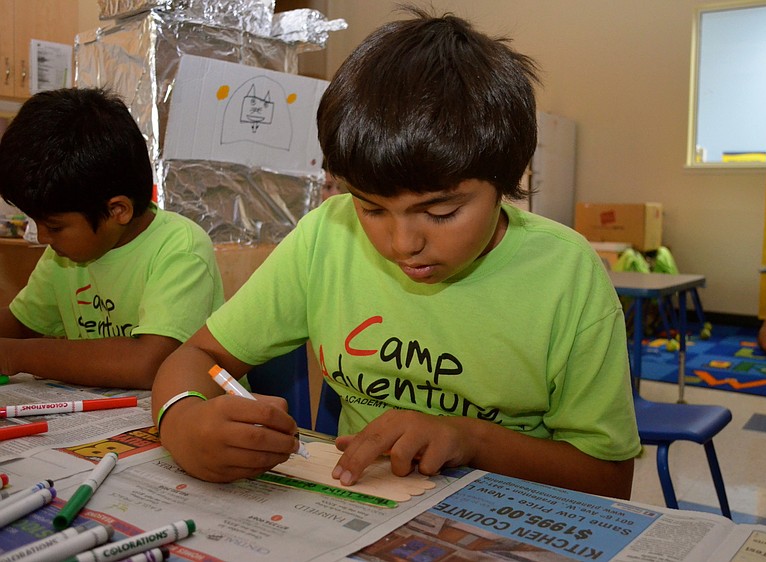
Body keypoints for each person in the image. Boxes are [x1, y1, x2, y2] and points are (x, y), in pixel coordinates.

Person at [151, 8, 640, 498]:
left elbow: (608, 478)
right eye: (371, 208)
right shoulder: (328, 235)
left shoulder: (564, 274)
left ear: (507, 181)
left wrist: (469, 439)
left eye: (442, 212)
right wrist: (182, 418)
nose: (402, 245)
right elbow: (198, 356)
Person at [0, 88, 225, 389]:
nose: (42, 237)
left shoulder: (180, 248)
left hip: (197, 416)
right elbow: (20, 323)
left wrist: (14, 355)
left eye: (54, 227)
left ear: (117, 210)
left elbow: (149, 364)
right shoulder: (64, 255)